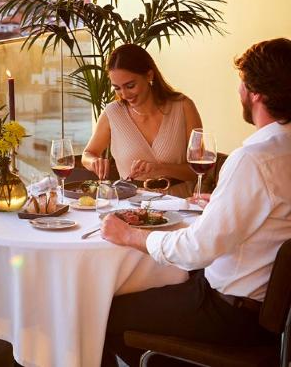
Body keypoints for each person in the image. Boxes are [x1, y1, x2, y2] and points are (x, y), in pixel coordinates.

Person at [99, 38, 291, 366]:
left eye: (242, 84)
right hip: (268, 313)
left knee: (102, 313)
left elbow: (196, 250)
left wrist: (130, 236)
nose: (239, 92)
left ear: (256, 94)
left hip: (231, 311)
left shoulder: (253, 160)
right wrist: (219, 203)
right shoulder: (280, 150)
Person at [82, 43, 202, 195]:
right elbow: (87, 154)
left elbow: (198, 170)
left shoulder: (183, 107)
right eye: (117, 88)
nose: (124, 94)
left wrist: (161, 168)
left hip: (180, 206)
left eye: (130, 85)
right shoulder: (112, 113)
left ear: (149, 75)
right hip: (130, 208)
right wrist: (94, 162)